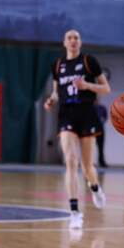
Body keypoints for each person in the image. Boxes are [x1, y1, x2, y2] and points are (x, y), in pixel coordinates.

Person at [44, 29, 110, 229]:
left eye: (76, 38)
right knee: (71, 161)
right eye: (69, 38)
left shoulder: (89, 61)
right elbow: (57, 92)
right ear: (64, 42)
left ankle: (95, 188)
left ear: (80, 42)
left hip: (86, 112)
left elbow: (106, 88)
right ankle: (74, 212)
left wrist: (87, 86)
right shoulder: (58, 65)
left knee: (86, 166)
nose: (73, 40)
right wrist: (51, 100)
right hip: (67, 114)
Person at [94, 98, 108, 168]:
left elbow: (105, 117)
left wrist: (102, 120)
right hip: (93, 130)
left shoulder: (102, 108)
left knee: (101, 147)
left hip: (100, 129)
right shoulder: (92, 108)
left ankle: (101, 161)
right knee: (91, 147)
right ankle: (90, 161)